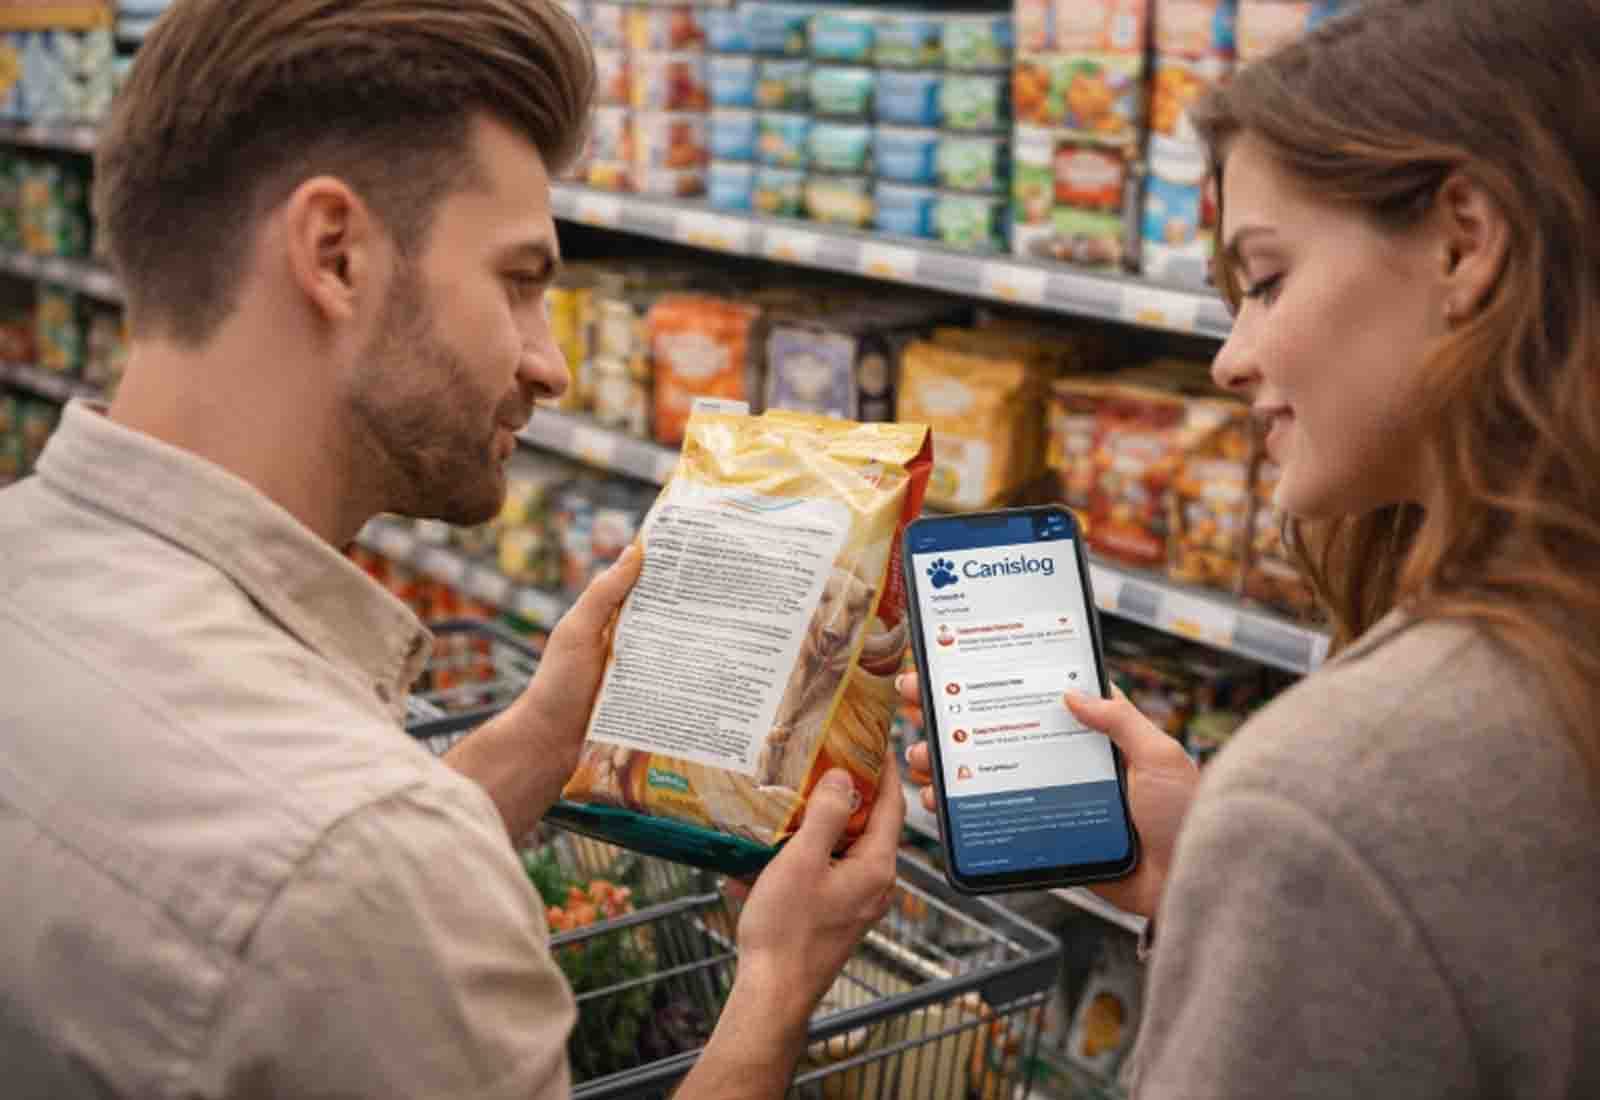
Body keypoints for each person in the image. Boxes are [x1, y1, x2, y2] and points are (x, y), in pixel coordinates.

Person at [0, 1, 904, 1096]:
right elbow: (344, 874)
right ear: (335, 255)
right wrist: (777, 986)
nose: (550, 363)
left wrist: (541, 732)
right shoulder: (368, 863)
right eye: (519, 280)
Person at [910, 1, 1600, 1095]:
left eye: (1266, 279)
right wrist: (1208, 872)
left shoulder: (1337, 794)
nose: (1230, 359)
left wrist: (1277, 846)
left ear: (1464, 241)